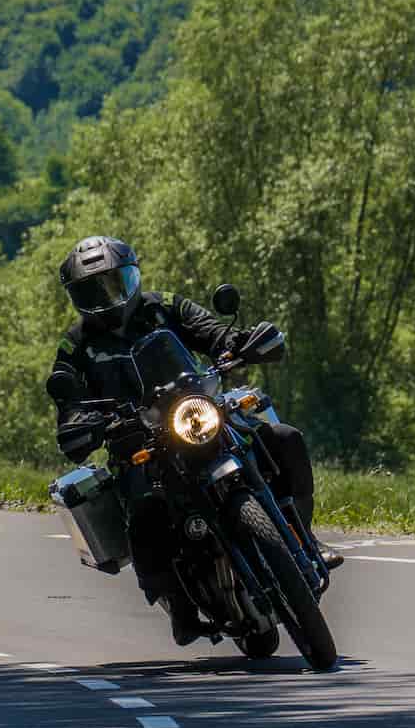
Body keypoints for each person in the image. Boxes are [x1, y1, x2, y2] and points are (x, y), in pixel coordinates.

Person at [45, 233, 336, 644]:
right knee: (144, 514)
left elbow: (212, 332)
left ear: (133, 277)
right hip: (138, 443)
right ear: (78, 296)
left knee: (283, 438)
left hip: (195, 411)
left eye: (115, 283)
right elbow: (68, 397)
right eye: (94, 290)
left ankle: (303, 536)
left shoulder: (165, 306)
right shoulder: (76, 345)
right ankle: (179, 607)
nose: (108, 296)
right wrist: (77, 420)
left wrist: (239, 343)